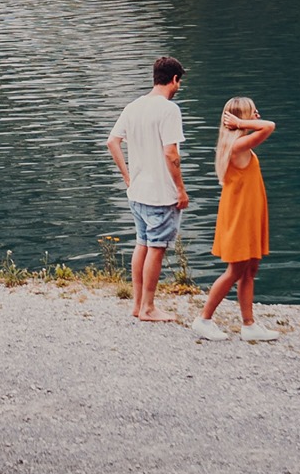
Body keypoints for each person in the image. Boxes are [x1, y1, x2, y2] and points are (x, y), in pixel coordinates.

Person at [106, 56, 188, 323]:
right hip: (160, 194)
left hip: (138, 192)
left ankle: (137, 304)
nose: (178, 87)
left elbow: (112, 142)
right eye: (179, 82)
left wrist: (127, 176)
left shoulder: (133, 106)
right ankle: (149, 308)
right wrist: (181, 189)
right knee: (156, 248)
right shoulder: (169, 110)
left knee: (141, 243)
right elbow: (171, 153)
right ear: (174, 79)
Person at [194, 97, 279, 341]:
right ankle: (203, 319)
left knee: (250, 269)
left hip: (248, 212)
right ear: (239, 118)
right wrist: (242, 123)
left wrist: (242, 122)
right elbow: (269, 126)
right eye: (253, 112)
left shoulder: (238, 144)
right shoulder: (238, 145)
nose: (258, 115)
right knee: (235, 270)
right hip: (240, 216)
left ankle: (249, 324)